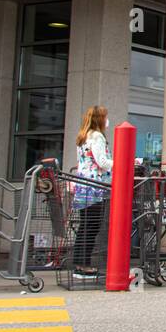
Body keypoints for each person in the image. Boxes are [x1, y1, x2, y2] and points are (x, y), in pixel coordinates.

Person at [71, 106, 113, 279]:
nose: (107, 120)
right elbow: (102, 161)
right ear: (100, 119)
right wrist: (125, 162)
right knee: (92, 226)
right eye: (105, 117)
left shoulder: (83, 136)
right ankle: (84, 266)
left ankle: (80, 264)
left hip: (83, 186)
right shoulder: (97, 136)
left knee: (85, 226)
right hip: (94, 187)